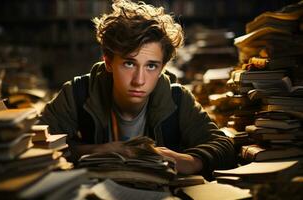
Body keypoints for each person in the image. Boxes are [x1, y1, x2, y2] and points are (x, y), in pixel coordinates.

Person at [39, 0, 236, 178]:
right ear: (108, 62)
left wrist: (192, 161)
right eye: (129, 64)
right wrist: (100, 150)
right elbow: (35, 145)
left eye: (151, 66)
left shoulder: (177, 98)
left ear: (162, 68)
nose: (139, 80)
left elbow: (225, 147)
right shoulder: (77, 92)